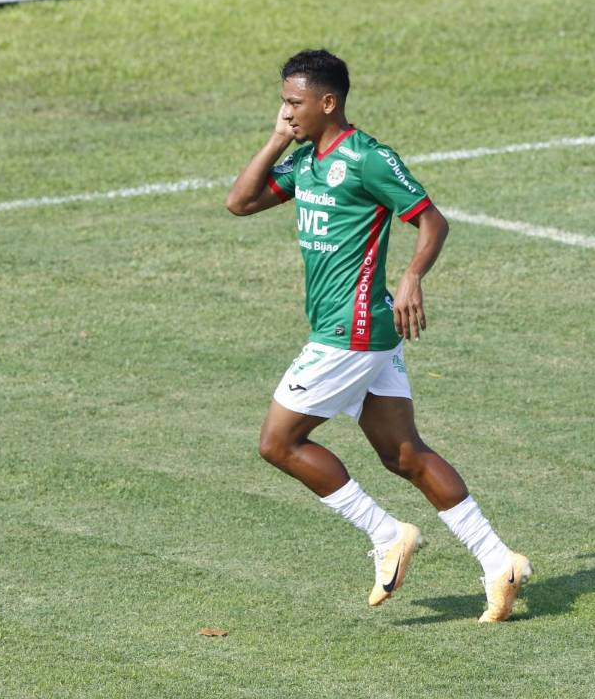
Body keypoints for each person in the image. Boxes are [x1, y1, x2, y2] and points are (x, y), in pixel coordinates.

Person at [225, 49, 530, 622]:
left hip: (353, 330)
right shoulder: (306, 159)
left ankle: (386, 532)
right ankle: (498, 561)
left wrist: (413, 276)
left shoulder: (367, 158)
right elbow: (239, 202)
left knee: (278, 443)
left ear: (328, 102)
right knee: (405, 454)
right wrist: (275, 141)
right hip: (355, 329)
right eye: (282, 102)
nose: (286, 111)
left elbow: (432, 220)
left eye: (294, 102)